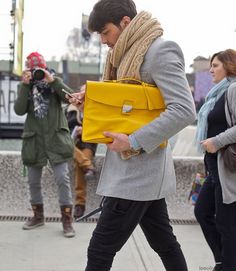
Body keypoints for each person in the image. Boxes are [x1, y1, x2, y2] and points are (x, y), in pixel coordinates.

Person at [69, 0, 196, 270]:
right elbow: (125, 107)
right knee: (165, 244)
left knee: (100, 250)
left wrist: (134, 141)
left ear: (125, 23)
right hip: (139, 175)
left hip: (136, 174)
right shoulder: (123, 54)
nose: (103, 41)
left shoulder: (161, 51)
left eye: (105, 32)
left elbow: (185, 110)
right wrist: (89, 103)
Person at [14, 52, 76, 238]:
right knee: (33, 182)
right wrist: (25, 85)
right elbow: (19, 110)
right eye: (33, 70)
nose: (36, 74)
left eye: (38, 70)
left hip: (56, 140)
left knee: (62, 180)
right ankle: (38, 216)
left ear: (45, 67)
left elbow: (71, 97)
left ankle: (67, 221)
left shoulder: (53, 83)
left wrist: (53, 81)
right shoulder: (25, 85)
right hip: (34, 141)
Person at [194, 49, 236, 271]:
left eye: (216, 65)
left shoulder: (234, 89)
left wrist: (216, 142)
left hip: (228, 168)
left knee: (227, 225)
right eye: (210, 65)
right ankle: (223, 261)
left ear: (229, 66)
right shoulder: (215, 93)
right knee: (202, 212)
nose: (211, 69)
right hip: (213, 168)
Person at [65, 98, 97, 219]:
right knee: (68, 146)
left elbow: (101, 129)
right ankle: (89, 166)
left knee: (80, 165)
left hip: (88, 144)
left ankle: (80, 203)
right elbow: (63, 129)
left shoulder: (95, 111)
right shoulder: (70, 110)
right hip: (71, 144)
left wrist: (85, 131)